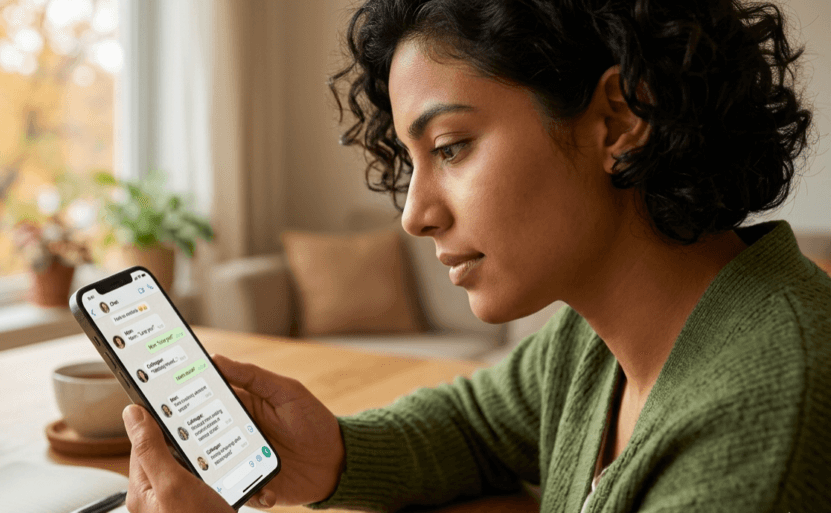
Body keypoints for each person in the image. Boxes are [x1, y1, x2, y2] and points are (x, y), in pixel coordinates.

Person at [120, 1, 830, 512]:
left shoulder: (765, 413)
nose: (413, 213)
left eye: (451, 147)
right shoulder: (592, 341)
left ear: (616, 120)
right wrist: (331, 452)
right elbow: (475, 425)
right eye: (411, 159)